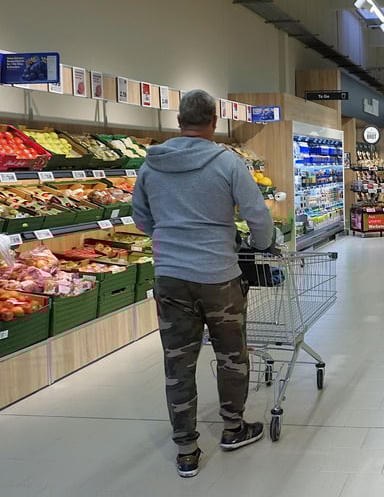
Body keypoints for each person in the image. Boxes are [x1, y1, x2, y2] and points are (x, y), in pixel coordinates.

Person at [132, 89, 275, 478]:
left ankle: (186, 450)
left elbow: (142, 220)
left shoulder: (151, 165)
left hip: (171, 278)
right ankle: (233, 428)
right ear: (214, 122)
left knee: (178, 364)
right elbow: (257, 215)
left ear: (179, 122)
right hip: (219, 277)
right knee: (231, 357)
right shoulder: (227, 162)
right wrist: (261, 245)